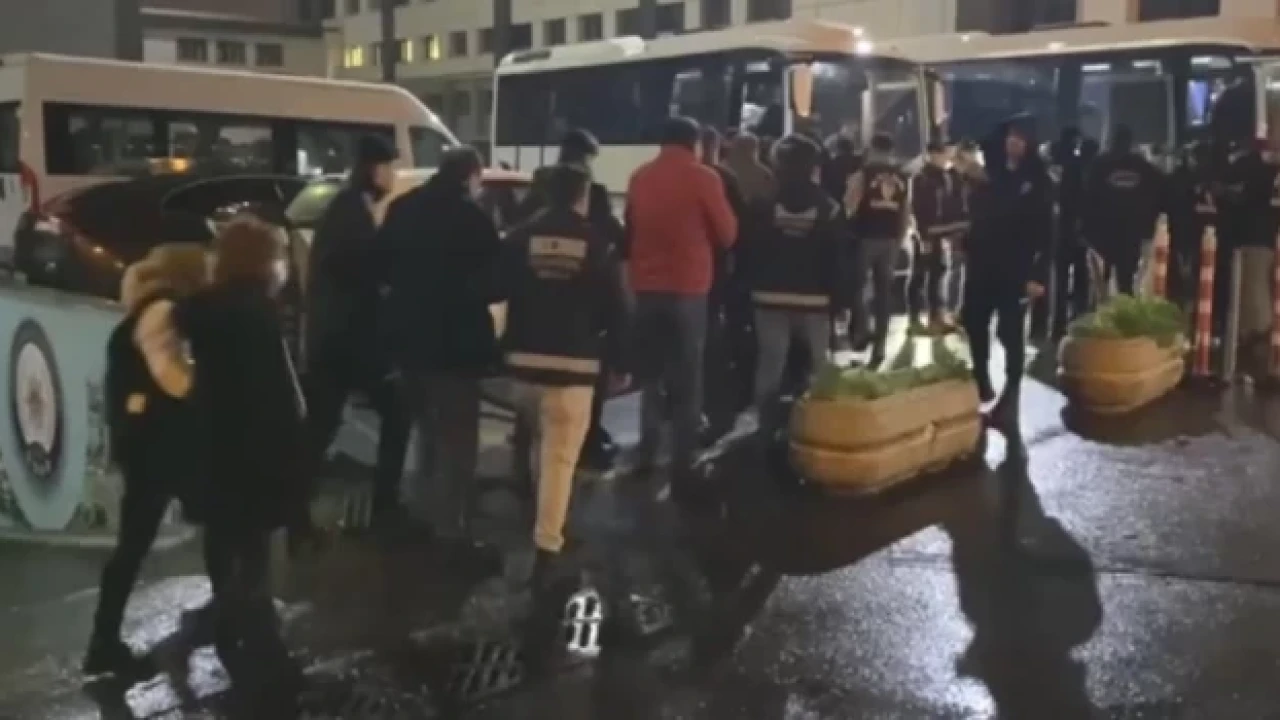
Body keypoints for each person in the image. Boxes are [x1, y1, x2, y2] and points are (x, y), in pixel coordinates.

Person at [500, 163, 632, 671]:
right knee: (559, 458)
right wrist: (619, 361)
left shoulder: (519, 237)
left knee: (540, 446)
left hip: (523, 364)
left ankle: (543, 519)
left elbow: (494, 285)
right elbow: (615, 307)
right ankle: (547, 548)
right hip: (573, 367)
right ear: (581, 197)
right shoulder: (597, 243)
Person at [179, 218, 308, 698]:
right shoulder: (259, 316)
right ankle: (253, 643)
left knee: (221, 535)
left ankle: (226, 617)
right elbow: (279, 397)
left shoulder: (201, 311)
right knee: (253, 549)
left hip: (212, 446)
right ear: (264, 263)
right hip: (254, 451)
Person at [86, 243, 210, 676]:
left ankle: (104, 639)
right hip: (163, 446)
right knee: (221, 519)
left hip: (146, 445)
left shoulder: (138, 315)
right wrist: (212, 391)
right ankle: (104, 642)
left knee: (135, 543)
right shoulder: (163, 312)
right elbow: (174, 379)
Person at [377, 146, 503, 544]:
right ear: (470, 176)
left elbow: (381, 268)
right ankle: (450, 529)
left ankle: (423, 513)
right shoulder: (473, 219)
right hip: (455, 346)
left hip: (407, 341)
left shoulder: (402, 209)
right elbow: (496, 282)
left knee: (427, 435)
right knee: (458, 441)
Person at [302, 135, 412, 532]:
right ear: (373, 169)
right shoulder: (352, 212)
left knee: (321, 425)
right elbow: (357, 272)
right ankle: (384, 505)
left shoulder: (347, 208)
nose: (393, 176)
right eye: (389, 167)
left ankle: (294, 510)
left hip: (333, 339)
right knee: (396, 413)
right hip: (348, 341)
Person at [624, 117, 737, 500]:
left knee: (651, 375)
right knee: (688, 376)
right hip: (689, 288)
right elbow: (728, 233)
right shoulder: (704, 178)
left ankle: (646, 451)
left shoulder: (640, 177)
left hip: (646, 286)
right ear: (694, 144)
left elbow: (631, 227)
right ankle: (683, 461)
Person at [518, 129, 626, 471]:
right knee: (584, 388)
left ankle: (523, 453)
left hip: (532, 316)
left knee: (531, 396)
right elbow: (614, 238)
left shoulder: (538, 186)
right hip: (579, 316)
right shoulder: (593, 194)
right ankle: (589, 443)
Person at [743, 134, 842, 427]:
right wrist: (841, 301)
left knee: (770, 364)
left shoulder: (762, 204)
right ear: (813, 167)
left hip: (768, 297)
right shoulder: (829, 207)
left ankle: (765, 425)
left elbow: (749, 249)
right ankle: (821, 424)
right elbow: (838, 258)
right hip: (815, 300)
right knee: (819, 366)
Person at [964, 118, 1053, 422]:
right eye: (1011, 137)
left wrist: (1037, 275)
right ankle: (981, 377)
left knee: (1010, 332)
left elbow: (1045, 232)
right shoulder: (991, 174)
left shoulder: (1038, 180)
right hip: (982, 264)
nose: (1013, 142)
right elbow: (978, 214)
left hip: (1017, 267)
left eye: (1020, 138)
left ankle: (1011, 394)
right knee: (974, 320)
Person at [846, 133, 909, 368]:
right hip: (890, 240)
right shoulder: (902, 177)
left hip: (866, 237)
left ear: (871, 148)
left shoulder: (863, 174)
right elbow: (905, 211)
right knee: (884, 294)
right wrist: (899, 239)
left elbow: (850, 205)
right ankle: (880, 346)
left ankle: (862, 330)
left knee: (857, 287)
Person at [1083, 125, 1163, 296]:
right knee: (1126, 277)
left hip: (1105, 229)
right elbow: (1158, 192)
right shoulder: (1142, 166)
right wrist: (1148, 223)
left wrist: (1087, 228)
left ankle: (1102, 305)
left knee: (1101, 277)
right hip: (1131, 230)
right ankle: (1123, 304)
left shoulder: (1100, 164)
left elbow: (1088, 196)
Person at [909, 142, 961, 333]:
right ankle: (915, 317)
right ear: (933, 154)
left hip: (939, 231)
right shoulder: (921, 177)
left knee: (937, 273)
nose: (947, 157)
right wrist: (922, 235)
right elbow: (916, 207)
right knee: (920, 274)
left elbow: (949, 204)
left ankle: (936, 316)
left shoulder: (945, 176)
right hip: (925, 232)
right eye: (944, 153)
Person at [1049, 128, 1095, 336]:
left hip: (1056, 230)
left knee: (1058, 279)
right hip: (1075, 231)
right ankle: (1079, 319)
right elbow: (1080, 199)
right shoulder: (1077, 167)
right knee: (1080, 277)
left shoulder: (1051, 164)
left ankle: (1057, 325)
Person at [945, 140, 982, 317]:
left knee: (972, 270)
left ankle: (966, 308)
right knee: (956, 268)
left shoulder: (976, 176)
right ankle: (952, 310)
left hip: (974, 226)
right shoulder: (950, 176)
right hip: (956, 227)